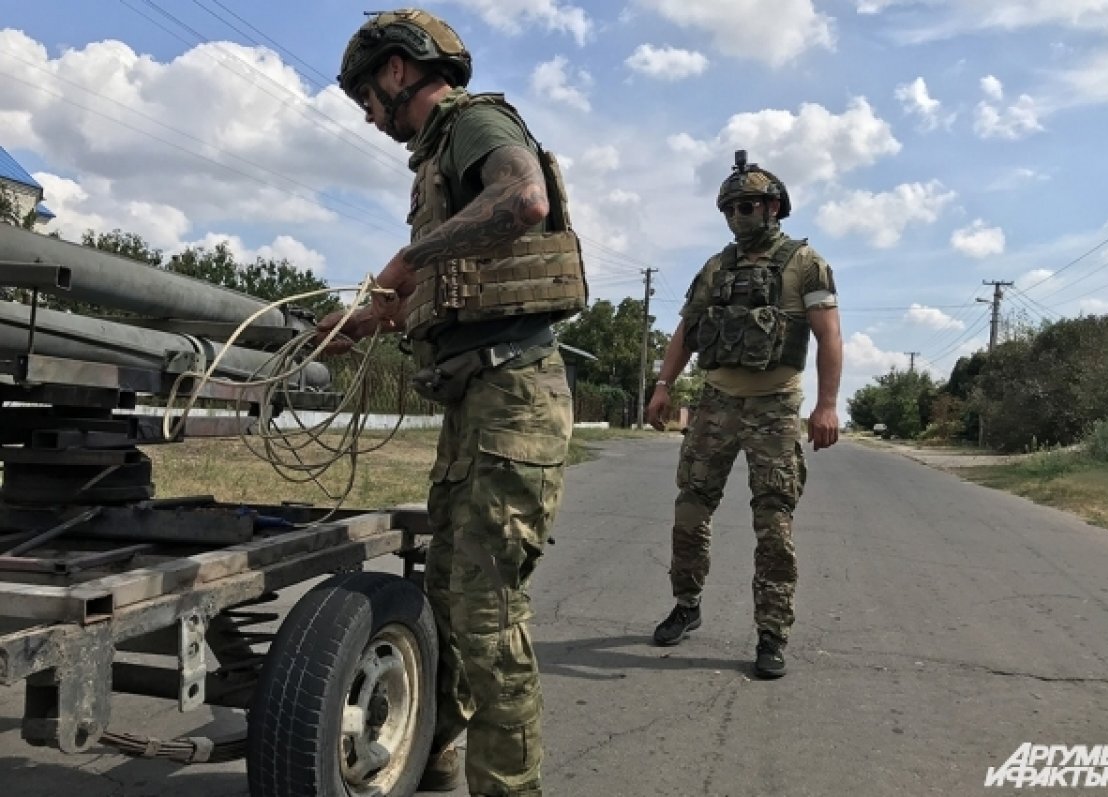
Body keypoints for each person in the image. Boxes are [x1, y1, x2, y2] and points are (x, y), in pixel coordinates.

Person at [315, 9, 587, 796]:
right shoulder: (435, 161)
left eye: (367, 95)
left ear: (398, 70)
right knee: (448, 596)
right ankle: (434, 757)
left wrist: (403, 261)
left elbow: (524, 200)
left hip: (513, 399)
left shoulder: (475, 123)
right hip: (477, 401)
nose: (369, 115)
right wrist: (367, 320)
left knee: (489, 612)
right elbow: (453, 292)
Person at [645, 150, 843, 680]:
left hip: (776, 407)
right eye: (730, 209)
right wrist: (663, 386)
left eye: (748, 206)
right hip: (714, 404)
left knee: (773, 524)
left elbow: (829, 337)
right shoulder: (716, 268)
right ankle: (686, 606)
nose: (739, 217)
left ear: (774, 206)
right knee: (690, 511)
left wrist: (825, 405)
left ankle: (771, 633)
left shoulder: (806, 264)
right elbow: (686, 331)